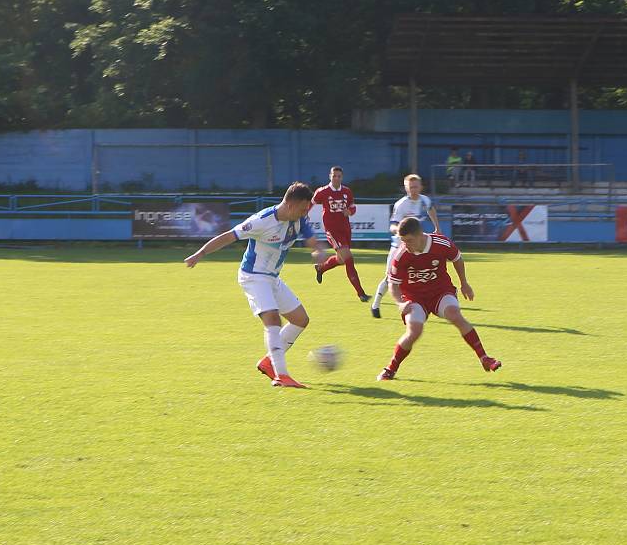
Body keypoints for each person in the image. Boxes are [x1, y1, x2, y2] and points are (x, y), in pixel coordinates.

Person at [184, 182, 324, 389]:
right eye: (304, 208)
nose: (307, 212)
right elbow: (229, 236)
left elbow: (313, 242)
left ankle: (269, 361)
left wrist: (318, 253)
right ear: (291, 204)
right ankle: (281, 375)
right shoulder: (261, 221)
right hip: (253, 276)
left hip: (273, 278)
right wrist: (200, 253)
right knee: (272, 319)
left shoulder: (299, 219)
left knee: (300, 319)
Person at [376, 216, 501, 381]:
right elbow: (393, 284)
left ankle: (484, 358)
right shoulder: (401, 255)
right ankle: (390, 369)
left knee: (455, 315)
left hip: (440, 292)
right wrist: (400, 302)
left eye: (409, 240)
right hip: (414, 297)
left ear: (420, 235)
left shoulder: (440, 243)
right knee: (414, 331)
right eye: (403, 241)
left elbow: (457, 258)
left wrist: (464, 283)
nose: (405, 244)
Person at [371, 174, 440, 318]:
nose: (413, 190)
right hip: (399, 246)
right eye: (410, 187)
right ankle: (375, 305)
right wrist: (401, 231)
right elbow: (392, 225)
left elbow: (431, 208)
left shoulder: (424, 200)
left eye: (415, 187)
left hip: (416, 247)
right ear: (406, 188)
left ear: (420, 187)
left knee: (419, 274)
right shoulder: (401, 204)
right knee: (390, 277)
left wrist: (437, 228)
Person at [312, 166, 370, 302]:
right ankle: (361, 293)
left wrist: (349, 212)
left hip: (345, 229)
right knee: (349, 259)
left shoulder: (347, 191)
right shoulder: (323, 191)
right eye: (334, 176)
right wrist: (304, 215)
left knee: (341, 259)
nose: (336, 178)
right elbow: (311, 203)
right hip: (332, 230)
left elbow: (352, 207)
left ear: (342, 177)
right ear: (330, 176)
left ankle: (321, 268)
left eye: (339, 176)